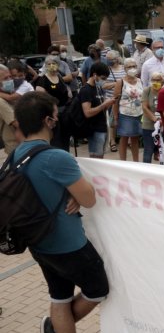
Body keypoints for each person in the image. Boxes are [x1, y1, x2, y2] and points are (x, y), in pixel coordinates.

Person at [12, 91, 108, 333]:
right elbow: (89, 200)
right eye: (56, 116)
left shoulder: (16, 154)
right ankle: (55, 327)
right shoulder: (56, 157)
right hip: (68, 243)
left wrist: (70, 193)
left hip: (37, 242)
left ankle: (55, 326)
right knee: (97, 290)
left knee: (60, 297)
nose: (58, 120)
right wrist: (77, 194)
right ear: (47, 121)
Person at [34, 56, 72, 151]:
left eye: (53, 63)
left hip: (64, 113)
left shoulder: (59, 77)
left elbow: (64, 88)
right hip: (52, 114)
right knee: (56, 139)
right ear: (45, 66)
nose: (51, 66)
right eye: (48, 64)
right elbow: (40, 96)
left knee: (65, 137)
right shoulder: (42, 79)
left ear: (58, 65)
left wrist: (68, 91)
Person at [80, 62, 115, 159]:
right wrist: (104, 104)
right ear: (95, 75)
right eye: (103, 78)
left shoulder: (98, 87)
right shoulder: (86, 90)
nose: (104, 81)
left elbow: (102, 107)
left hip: (102, 126)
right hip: (94, 129)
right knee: (96, 159)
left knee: (101, 157)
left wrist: (109, 103)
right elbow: (87, 112)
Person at [112, 58, 143, 162]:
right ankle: (123, 162)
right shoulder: (120, 82)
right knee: (124, 138)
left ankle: (136, 162)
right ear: (125, 69)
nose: (132, 69)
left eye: (134, 66)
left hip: (139, 113)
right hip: (125, 114)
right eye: (129, 67)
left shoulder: (139, 81)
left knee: (135, 138)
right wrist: (116, 117)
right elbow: (115, 101)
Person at [103, 50, 126, 153]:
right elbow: (103, 85)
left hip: (124, 99)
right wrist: (117, 83)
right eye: (107, 59)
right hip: (111, 99)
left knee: (123, 121)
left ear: (116, 59)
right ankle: (112, 141)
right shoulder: (106, 70)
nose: (108, 61)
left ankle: (124, 140)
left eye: (110, 59)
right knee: (112, 122)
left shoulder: (123, 69)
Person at [141, 72, 164, 163]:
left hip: (163, 126)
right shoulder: (147, 91)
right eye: (153, 80)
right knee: (148, 150)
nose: (155, 82)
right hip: (149, 126)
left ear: (162, 81)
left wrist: (162, 121)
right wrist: (155, 119)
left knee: (163, 151)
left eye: (158, 80)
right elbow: (144, 107)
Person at [0, 65, 18, 154]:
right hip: (14, 147)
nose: (10, 80)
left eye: (10, 77)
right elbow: (17, 123)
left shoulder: (10, 94)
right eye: (5, 78)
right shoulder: (1, 101)